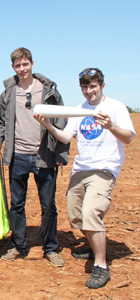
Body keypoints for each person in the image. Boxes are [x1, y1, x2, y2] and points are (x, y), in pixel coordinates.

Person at [34, 68, 135, 288]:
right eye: (85, 87)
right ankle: (92, 242)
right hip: (81, 169)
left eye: (93, 86)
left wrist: (111, 126)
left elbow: (127, 137)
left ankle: (101, 265)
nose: (89, 91)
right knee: (76, 215)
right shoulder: (79, 111)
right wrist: (48, 125)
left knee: (91, 212)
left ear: (102, 86)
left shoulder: (115, 107)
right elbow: (66, 136)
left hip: (104, 169)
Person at [0, 47, 69, 266]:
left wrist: (61, 153)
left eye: (25, 64)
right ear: (13, 67)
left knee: (48, 206)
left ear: (32, 64)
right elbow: (1, 123)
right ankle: (18, 245)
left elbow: (61, 122)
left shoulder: (49, 91)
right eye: (18, 65)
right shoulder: (8, 93)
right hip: (18, 156)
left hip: (44, 156)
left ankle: (51, 248)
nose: (22, 68)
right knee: (17, 205)